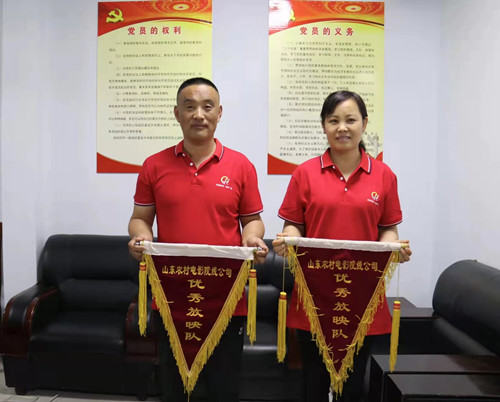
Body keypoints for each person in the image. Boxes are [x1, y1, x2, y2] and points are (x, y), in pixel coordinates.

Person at [128, 77, 268, 402]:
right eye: (189, 107)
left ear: (220, 113)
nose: (199, 115)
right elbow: (140, 218)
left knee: (223, 384)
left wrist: (252, 240)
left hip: (226, 294)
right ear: (177, 113)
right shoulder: (154, 165)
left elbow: (252, 221)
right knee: (175, 384)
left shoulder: (241, 166)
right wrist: (141, 237)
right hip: (171, 294)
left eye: (207, 107)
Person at [272, 90, 412, 402]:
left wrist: (393, 249)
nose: (342, 128)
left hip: (362, 296)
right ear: (324, 125)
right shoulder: (305, 173)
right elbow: (294, 225)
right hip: (314, 294)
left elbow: (388, 229)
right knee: (312, 382)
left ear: (364, 123)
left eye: (350, 120)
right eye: (334, 120)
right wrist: (287, 240)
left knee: (352, 384)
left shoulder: (384, 175)